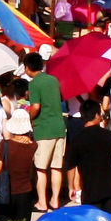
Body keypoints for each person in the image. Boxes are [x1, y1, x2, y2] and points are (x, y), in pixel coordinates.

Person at [23, 52, 68, 212]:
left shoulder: (34, 83)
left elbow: (36, 107)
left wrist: (28, 117)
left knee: (41, 168)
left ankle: (42, 202)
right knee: (56, 167)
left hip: (44, 128)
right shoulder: (53, 80)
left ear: (27, 68)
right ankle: (55, 200)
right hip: (59, 127)